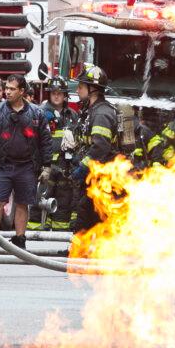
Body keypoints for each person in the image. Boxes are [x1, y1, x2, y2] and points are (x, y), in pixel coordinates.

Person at [0, 75, 51, 252]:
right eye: (6, 88)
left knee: (22, 203)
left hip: (27, 167)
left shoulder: (37, 113)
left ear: (22, 91)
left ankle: (20, 240)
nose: (7, 92)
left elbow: (46, 141)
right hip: (3, 166)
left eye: (12, 89)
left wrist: (47, 166)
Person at [70, 65, 119, 233]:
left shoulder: (101, 114)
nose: (77, 90)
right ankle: (81, 250)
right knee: (90, 213)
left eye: (81, 87)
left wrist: (84, 166)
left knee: (89, 213)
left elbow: (100, 147)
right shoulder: (92, 111)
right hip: (96, 174)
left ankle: (81, 252)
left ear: (93, 90)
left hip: (103, 175)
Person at [31, 77, 79, 231]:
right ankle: (34, 236)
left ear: (65, 95)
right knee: (40, 200)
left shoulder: (72, 115)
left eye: (60, 93)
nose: (56, 96)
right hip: (46, 166)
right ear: (49, 95)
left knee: (64, 201)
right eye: (53, 93)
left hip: (65, 166)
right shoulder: (40, 113)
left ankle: (60, 233)